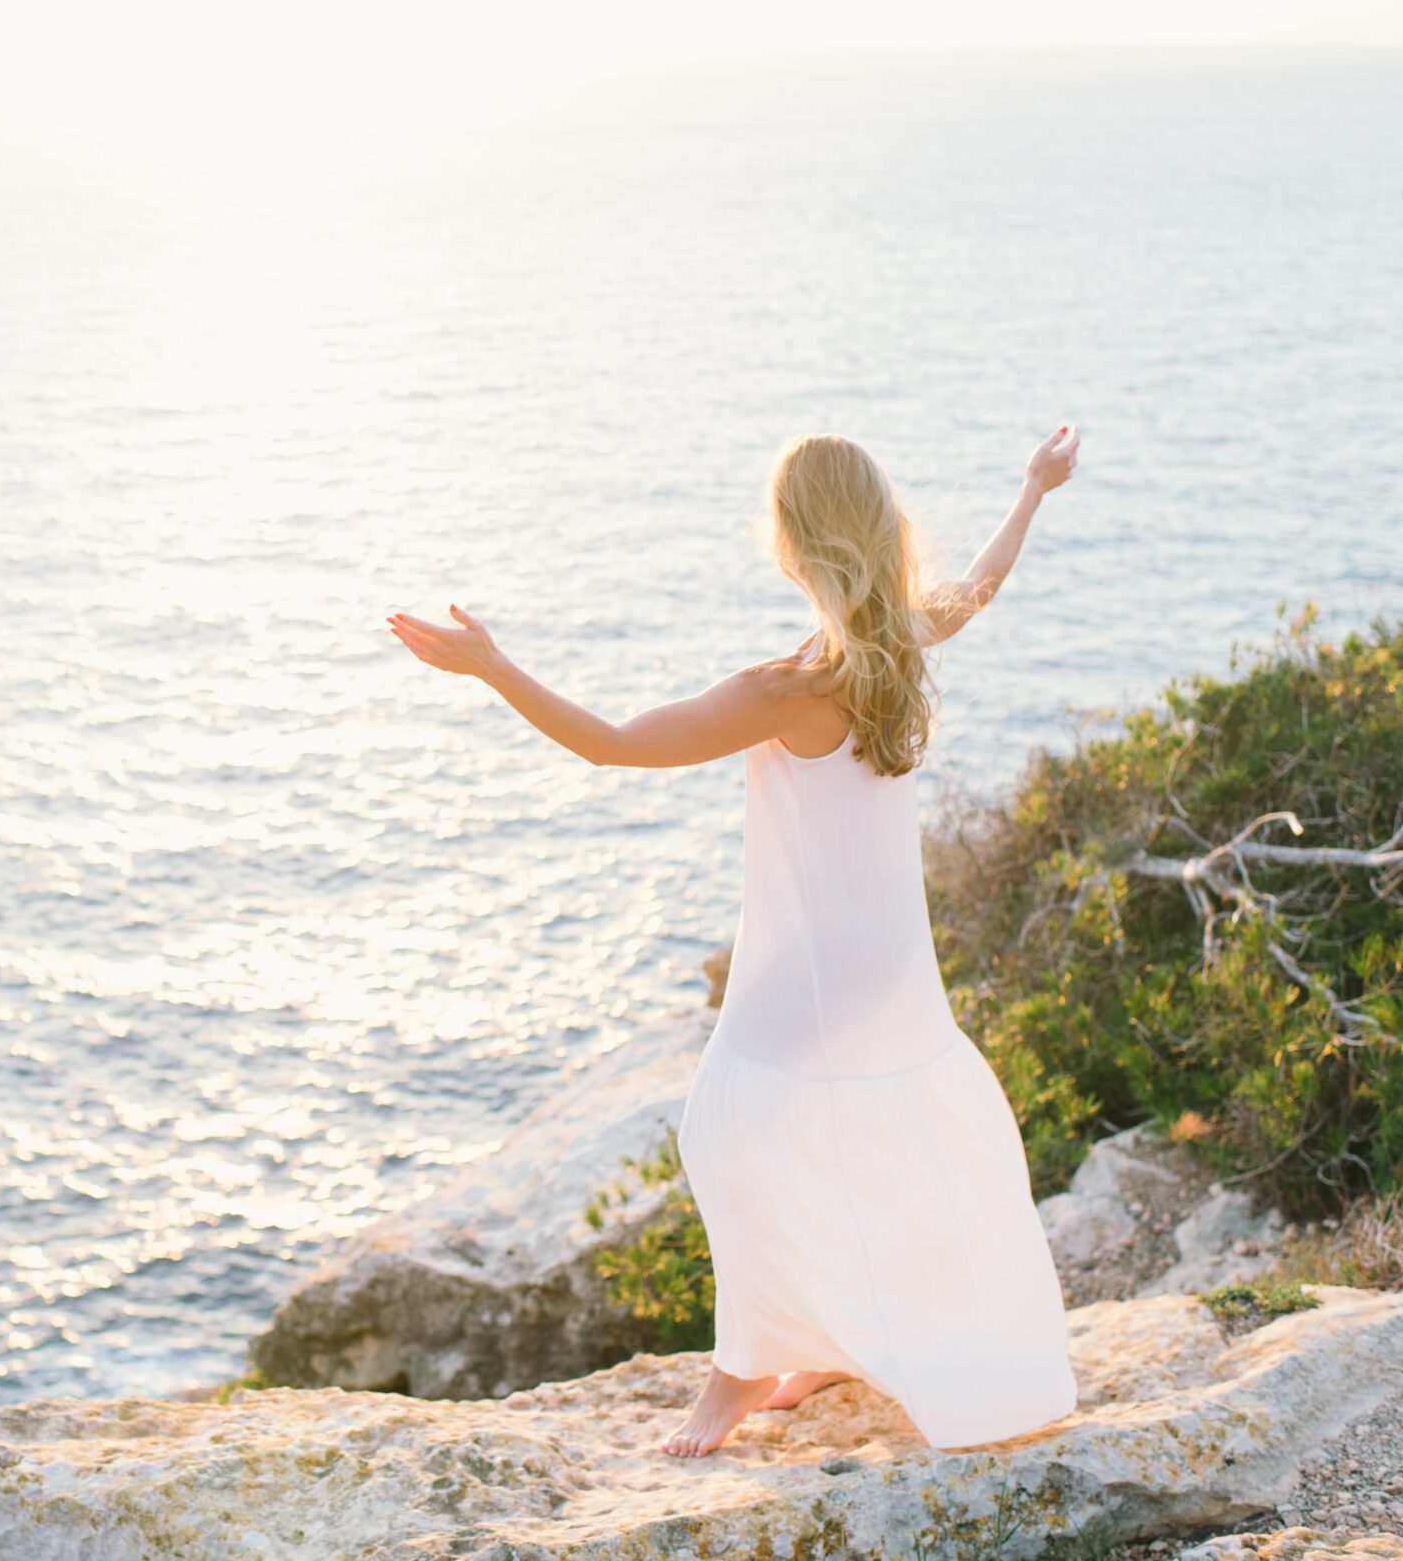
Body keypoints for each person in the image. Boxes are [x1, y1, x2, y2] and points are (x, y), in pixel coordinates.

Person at [386, 425, 1082, 1455]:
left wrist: (495, 668)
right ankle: (831, 1343)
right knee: (866, 1140)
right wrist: (1033, 486)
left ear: (792, 544)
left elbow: (611, 746)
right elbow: (980, 582)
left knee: (728, 1132)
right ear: (878, 533)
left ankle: (739, 1375)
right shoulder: (897, 640)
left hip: (806, 979)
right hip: (888, 973)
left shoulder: (783, 689)